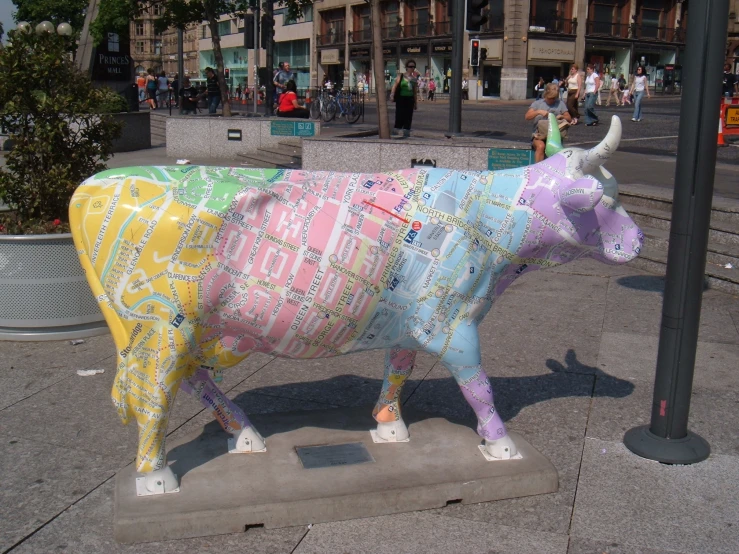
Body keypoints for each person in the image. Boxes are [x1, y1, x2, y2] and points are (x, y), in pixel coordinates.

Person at [525, 83, 571, 163]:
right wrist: (538, 112)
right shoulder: (537, 104)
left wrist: (562, 116)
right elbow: (527, 116)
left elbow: (569, 118)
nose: (552, 100)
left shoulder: (560, 104)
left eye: (554, 98)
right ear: (545, 95)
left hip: (555, 136)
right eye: (550, 98)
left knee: (556, 149)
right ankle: (538, 170)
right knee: (541, 146)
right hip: (539, 134)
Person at [390, 59, 418, 137]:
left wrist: (416, 103)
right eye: (410, 66)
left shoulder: (414, 79)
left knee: (408, 115)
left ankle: (406, 130)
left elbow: (415, 92)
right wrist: (392, 95)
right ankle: (397, 129)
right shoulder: (401, 76)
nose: (412, 68)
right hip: (401, 98)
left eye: (413, 67)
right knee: (399, 114)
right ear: (406, 67)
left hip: (410, 98)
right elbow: (395, 86)